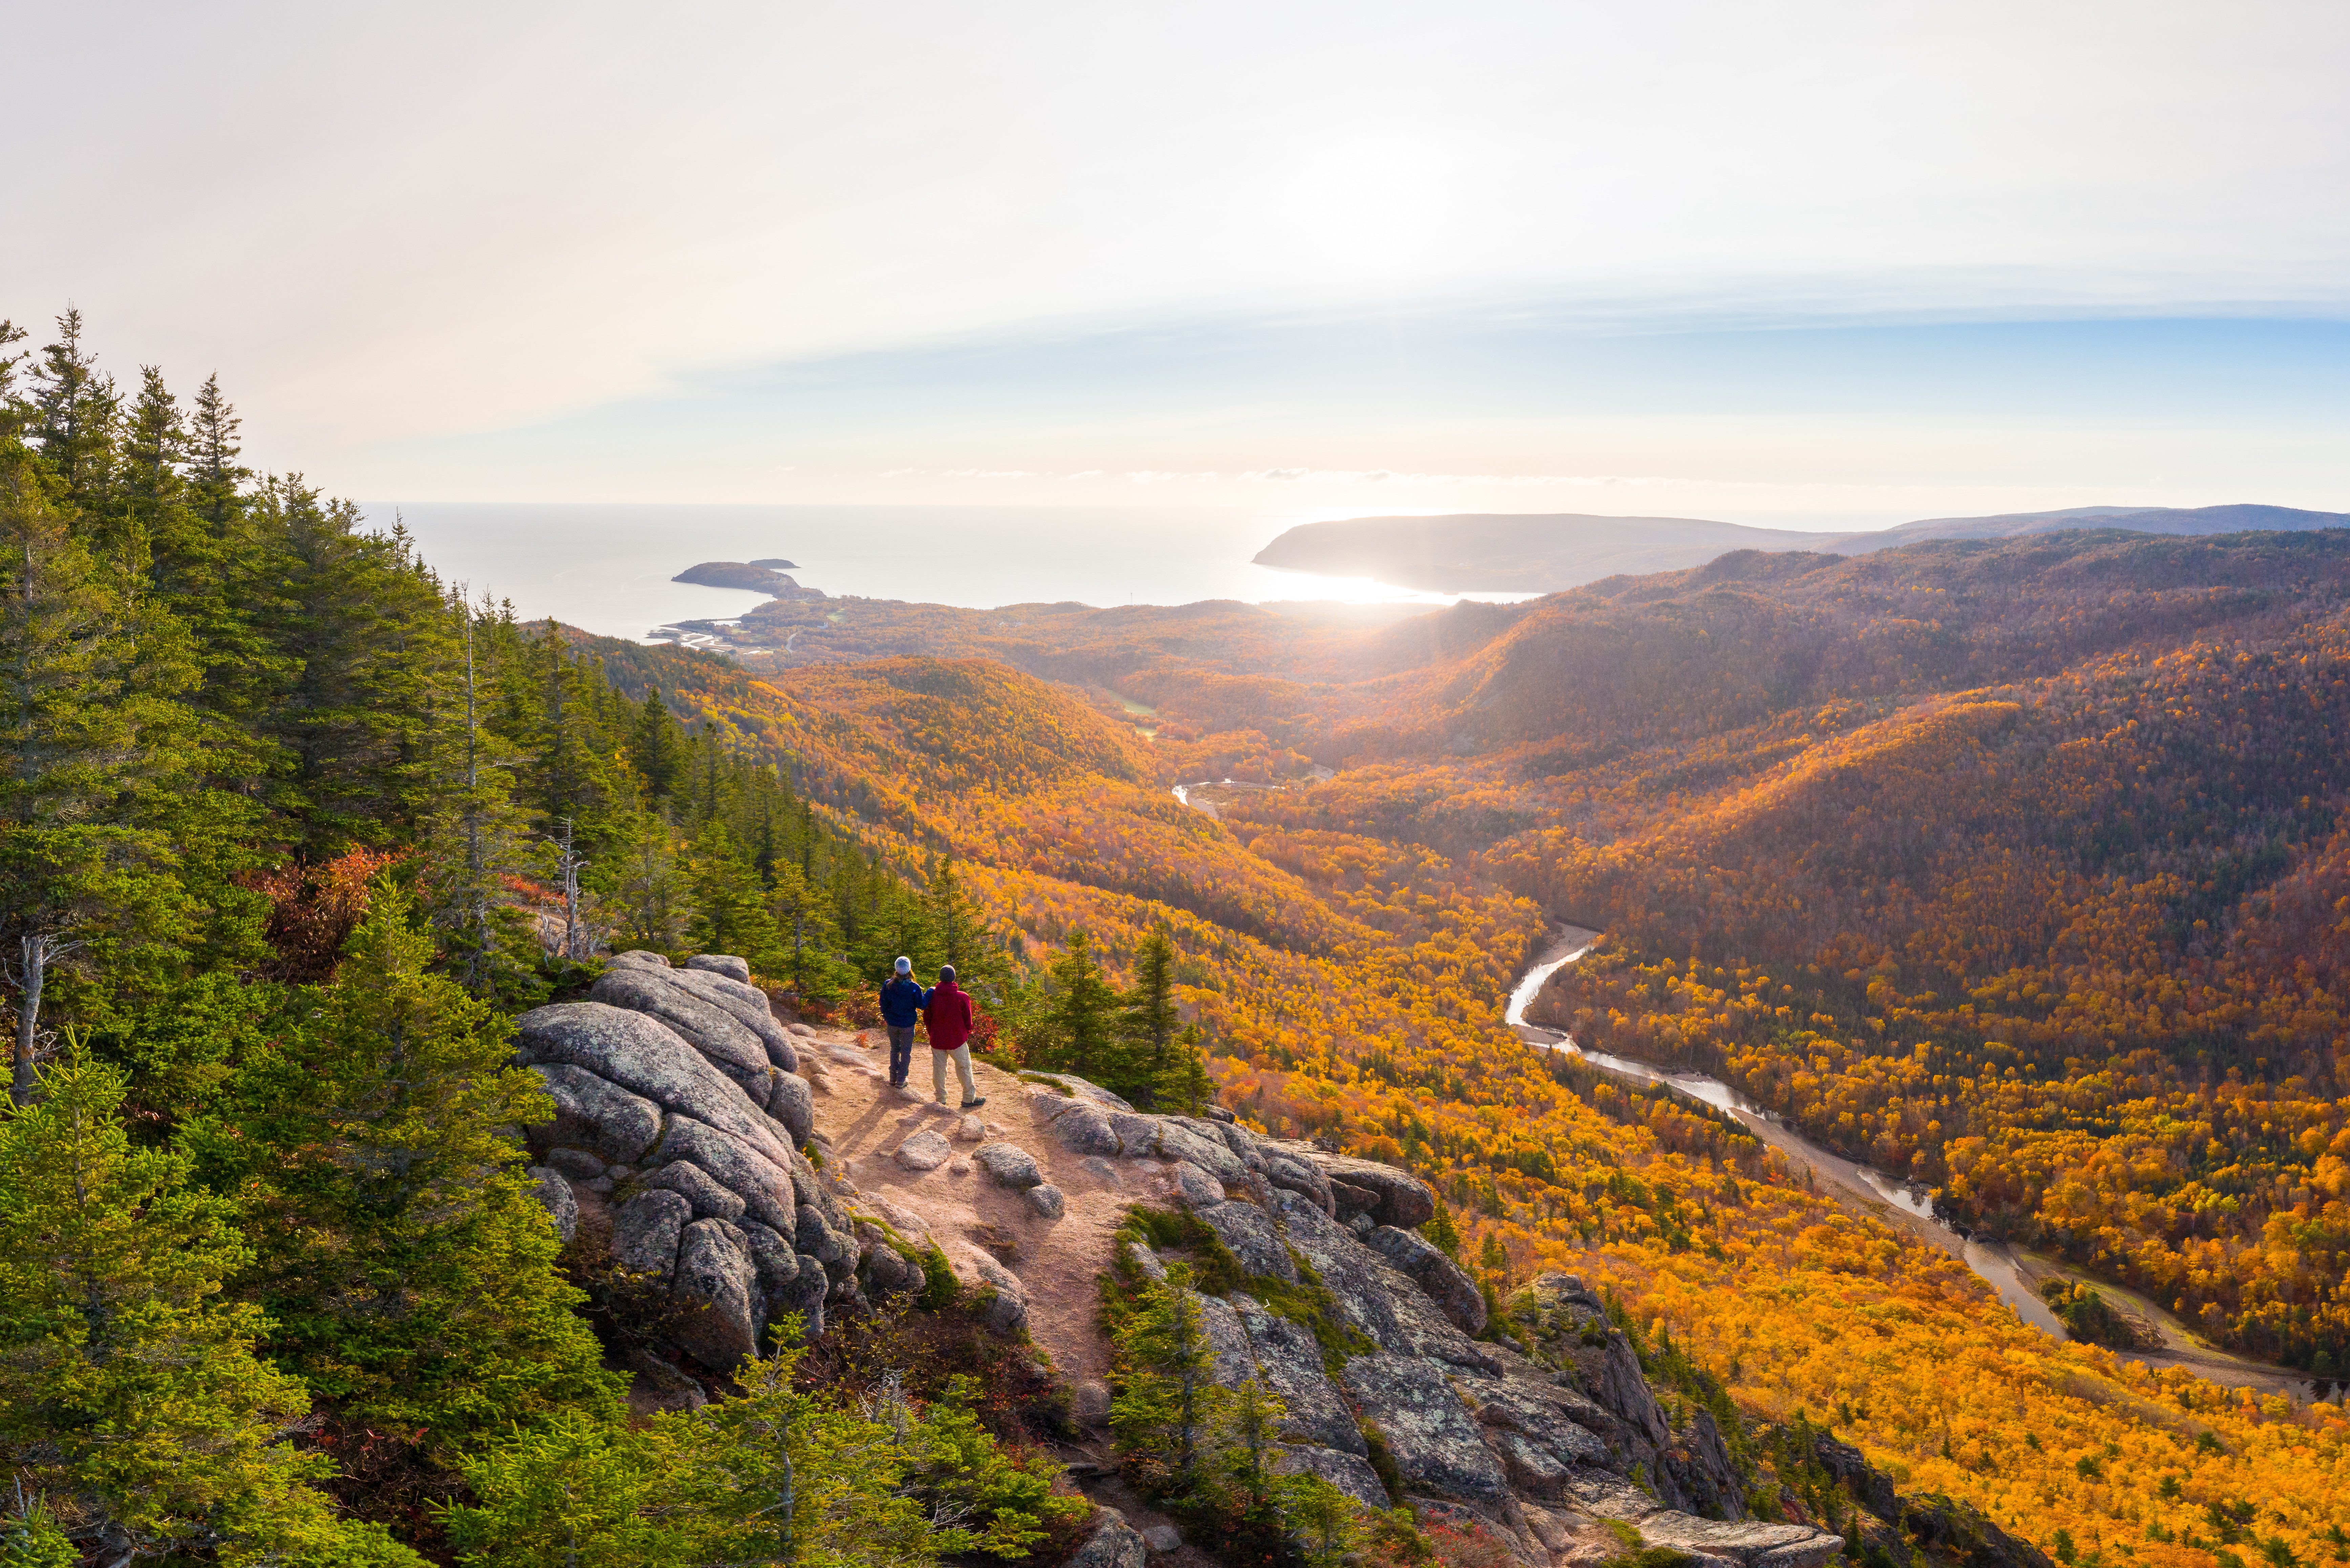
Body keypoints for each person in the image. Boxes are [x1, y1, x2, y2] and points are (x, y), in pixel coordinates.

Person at [922, 963, 984, 1109]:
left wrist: (932, 1033)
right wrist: (965, 1033)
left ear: (940, 978)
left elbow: (927, 1018)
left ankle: (941, 1100)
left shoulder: (932, 996)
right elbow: (968, 1021)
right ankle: (969, 1099)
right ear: (954, 978)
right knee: (964, 1067)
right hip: (957, 1040)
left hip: (937, 1040)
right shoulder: (962, 997)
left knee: (939, 1069)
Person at [879, 955, 926, 1090]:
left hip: (892, 1024)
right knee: (906, 1052)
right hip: (908, 1024)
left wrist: (887, 1018)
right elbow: (922, 1005)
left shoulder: (888, 985)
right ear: (909, 969)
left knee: (895, 1049)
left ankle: (893, 1078)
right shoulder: (914, 987)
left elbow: (883, 1004)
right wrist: (929, 992)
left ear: (896, 969)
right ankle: (901, 1079)